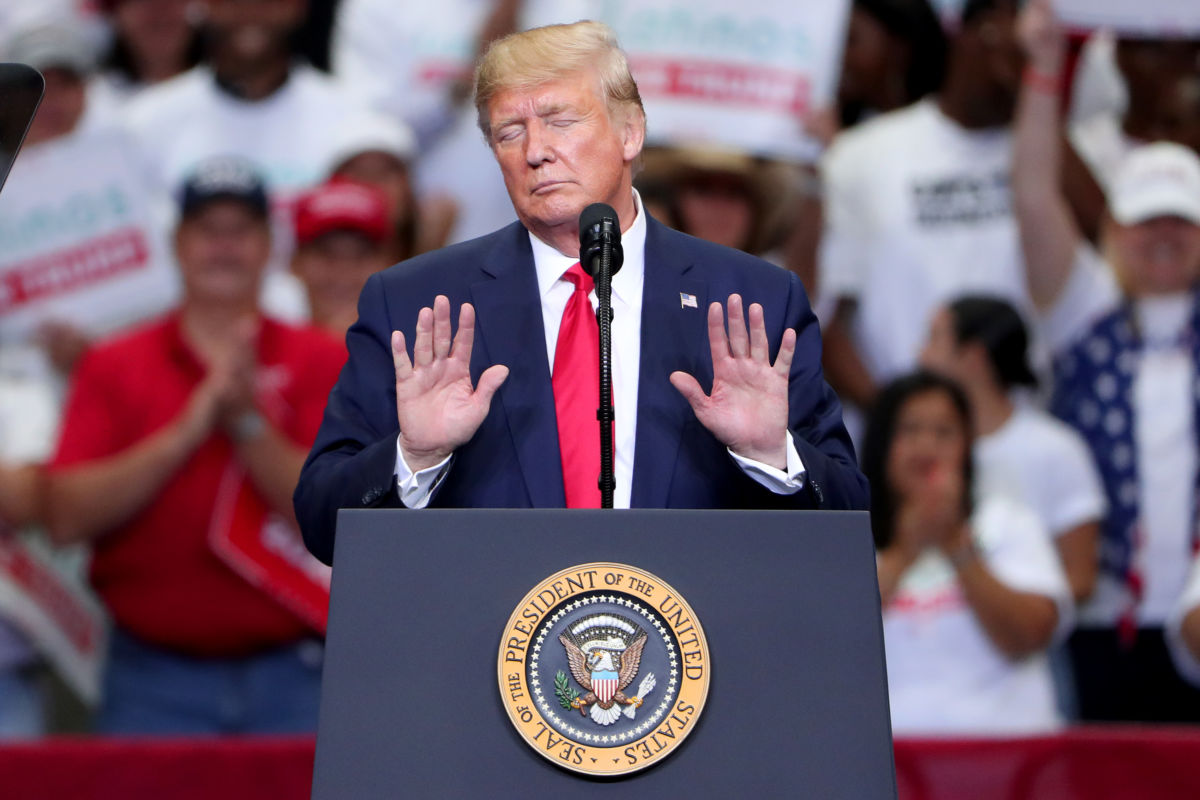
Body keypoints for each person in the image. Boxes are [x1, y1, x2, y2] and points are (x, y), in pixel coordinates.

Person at [295, 21, 868, 565]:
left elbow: (849, 521)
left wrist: (771, 455)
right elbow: (323, 524)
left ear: (630, 132)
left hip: (699, 651)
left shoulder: (753, 301)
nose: (535, 151)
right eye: (509, 132)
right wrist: (414, 457)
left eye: (560, 120)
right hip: (486, 651)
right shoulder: (417, 304)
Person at [44, 158, 345, 734]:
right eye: (208, 231)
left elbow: (343, 522)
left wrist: (246, 424)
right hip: (151, 679)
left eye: (241, 231)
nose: (224, 248)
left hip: (299, 674)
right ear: (177, 245)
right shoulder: (114, 363)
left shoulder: (322, 359)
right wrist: (187, 429)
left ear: (268, 247)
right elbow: (63, 516)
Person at [1013, 0, 1200, 721]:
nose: (1162, 235)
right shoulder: (1081, 312)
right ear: (1113, 228)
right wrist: (1044, 69)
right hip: (1103, 619)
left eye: (1180, 221)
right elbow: (1033, 194)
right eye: (1145, 218)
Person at [819, 0, 1031, 437]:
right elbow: (828, 320)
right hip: (899, 448)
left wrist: (1035, 92)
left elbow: (1107, 230)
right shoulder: (863, 154)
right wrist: (903, 422)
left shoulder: (1042, 160)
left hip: (1021, 437)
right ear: (971, 34)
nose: (1017, 49)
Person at [864, 370, 1071, 734]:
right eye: (910, 430)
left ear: (967, 446)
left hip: (1009, 759)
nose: (927, 447)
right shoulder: (850, 537)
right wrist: (905, 552)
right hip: (887, 765)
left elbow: (1032, 635)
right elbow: (826, 647)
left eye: (944, 432)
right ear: (882, 444)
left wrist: (956, 547)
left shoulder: (1010, 521)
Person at [919, 295, 1106, 602]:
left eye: (934, 339)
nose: (920, 355)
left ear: (973, 357)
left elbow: (1081, 579)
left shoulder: (1056, 450)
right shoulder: (921, 453)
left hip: (1032, 643)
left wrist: (1004, 609)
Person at [291, 178, 391, 338]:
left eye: (361, 254)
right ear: (296, 262)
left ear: (387, 263)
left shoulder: (420, 353)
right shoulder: (256, 351)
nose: (343, 271)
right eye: (326, 253)